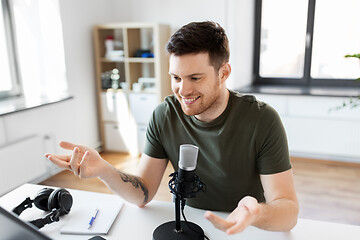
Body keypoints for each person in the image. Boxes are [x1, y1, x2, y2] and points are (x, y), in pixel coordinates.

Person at [46, 21, 299, 235]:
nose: (183, 90)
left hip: (246, 229)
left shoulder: (262, 119)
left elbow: (288, 212)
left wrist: (255, 212)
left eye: (195, 78)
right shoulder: (164, 115)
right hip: (191, 225)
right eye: (176, 78)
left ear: (224, 73)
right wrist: (104, 170)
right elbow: (143, 193)